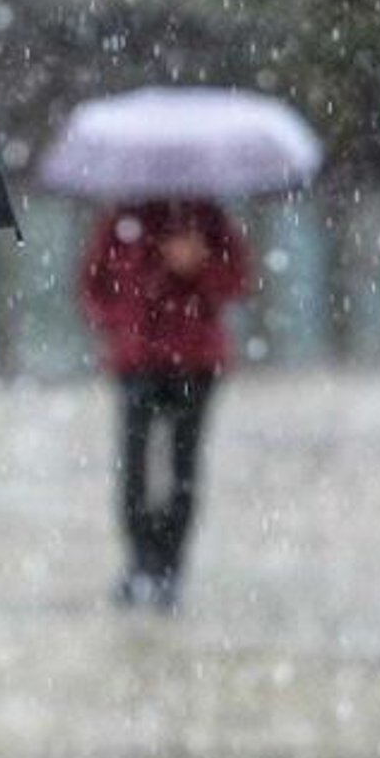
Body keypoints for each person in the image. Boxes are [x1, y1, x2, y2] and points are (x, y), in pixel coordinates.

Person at [78, 199, 250, 611]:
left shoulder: (209, 219)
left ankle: (170, 566)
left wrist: (198, 265)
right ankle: (140, 563)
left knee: (183, 465)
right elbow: (93, 287)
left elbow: (236, 282)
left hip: (196, 362)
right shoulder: (121, 220)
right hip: (138, 362)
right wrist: (124, 320)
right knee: (134, 465)